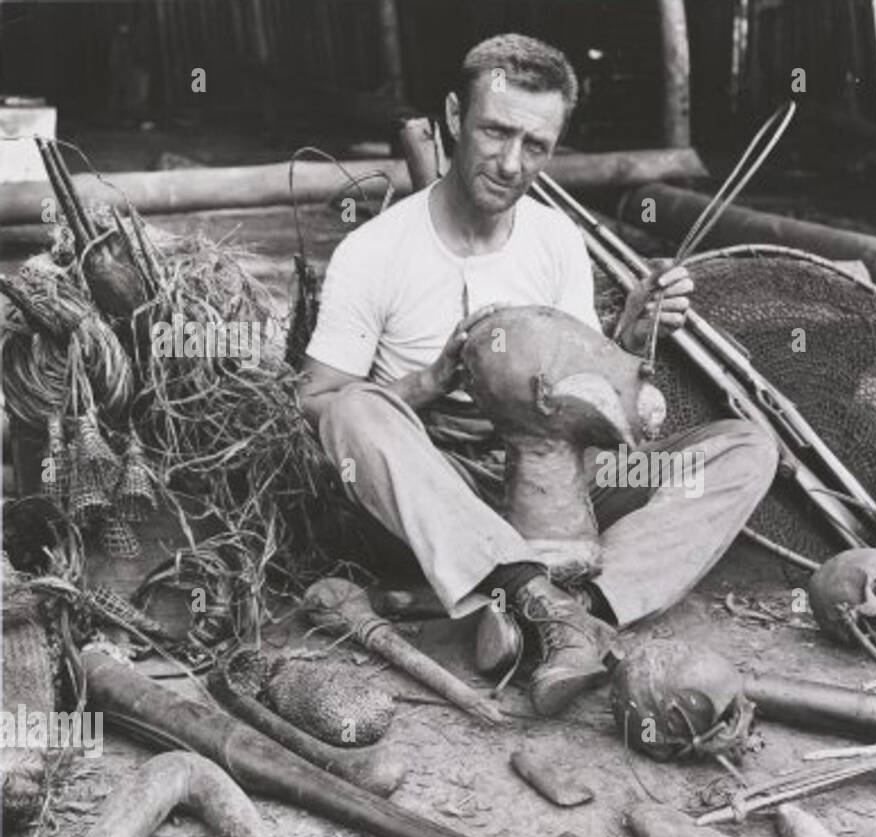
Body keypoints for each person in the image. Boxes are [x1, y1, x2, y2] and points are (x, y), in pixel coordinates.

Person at [300, 34, 777, 716]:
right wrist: (433, 380)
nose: (511, 162)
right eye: (495, 132)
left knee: (742, 449)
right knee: (353, 413)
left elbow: (575, 396)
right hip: (443, 485)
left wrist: (632, 340)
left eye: (537, 145)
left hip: (558, 483)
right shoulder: (375, 251)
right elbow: (314, 401)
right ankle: (533, 595)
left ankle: (576, 611)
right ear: (454, 117)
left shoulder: (555, 240)